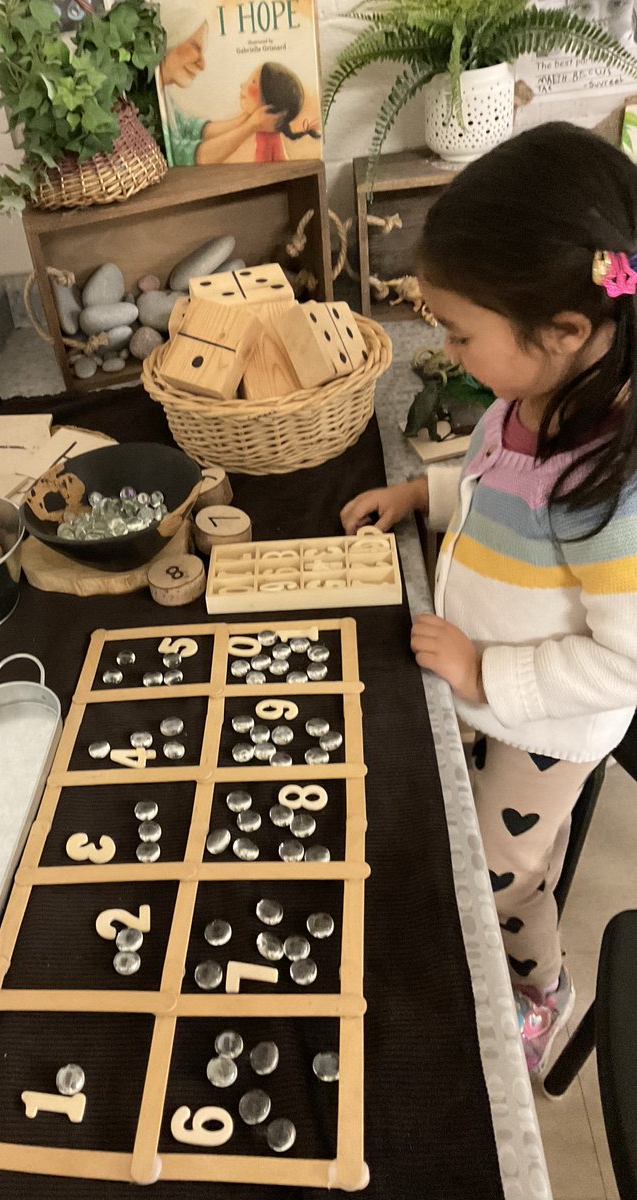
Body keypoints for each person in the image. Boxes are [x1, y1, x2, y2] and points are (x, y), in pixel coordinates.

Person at [340, 122, 637, 1078]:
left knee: (502, 871)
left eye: (461, 332)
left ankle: (542, 992)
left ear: (565, 332)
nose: (445, 346)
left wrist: (486, 670)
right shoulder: (528, 401)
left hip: (552, 721)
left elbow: (622, 659)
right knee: (479, 834)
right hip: (487, 685)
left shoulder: (612, 484)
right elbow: (490, 495)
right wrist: (421, 495)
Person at [157, 14, 285, 164]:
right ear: (170, 38)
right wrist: (250, 126)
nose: (202, 65)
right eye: (195, 46)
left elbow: (194, 129)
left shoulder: (166, 98)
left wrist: (248, 118)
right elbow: (183, 156)